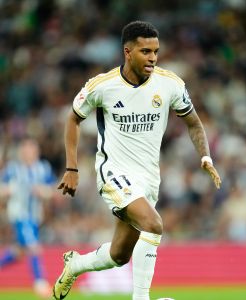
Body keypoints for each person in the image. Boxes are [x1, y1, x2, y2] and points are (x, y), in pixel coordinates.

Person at [52, 20, 221, 300]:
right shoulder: (103, 86)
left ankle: (75, 265)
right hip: (113, 173)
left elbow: (194, 122)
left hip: (148, 179)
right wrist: (72, 167)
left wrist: (205, 156)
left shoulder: (170, 84)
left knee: (119, 254)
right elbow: (73, 118)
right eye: (145, 51)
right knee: (154, 225)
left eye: (155, 51)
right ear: (127, 52)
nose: (153, 58)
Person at [0, 137, 55, 298]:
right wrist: (8, 190)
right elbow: (2, 188)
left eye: (31, 149)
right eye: (25, 149)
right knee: (33, 246)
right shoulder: (13, 169)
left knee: (20, 252)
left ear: (36, 151)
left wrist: (43, 191)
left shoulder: (43, 168)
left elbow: (52, 190)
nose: (28, 153)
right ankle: (40, 283)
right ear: (21, 152)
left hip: (36, 216)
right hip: (19, 214)